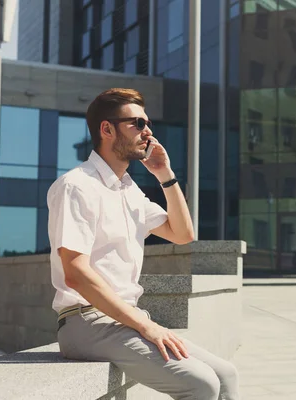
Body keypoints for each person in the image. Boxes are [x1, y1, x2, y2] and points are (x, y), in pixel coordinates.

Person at [46, 88, 240, 400]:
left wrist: (166, 175)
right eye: (137, 123)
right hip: (86, 322)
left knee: (226, 375)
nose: (147, 131)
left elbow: (182, 234)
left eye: (147, 123)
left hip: (124, 319)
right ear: (107, 129)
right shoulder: (76, 186)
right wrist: (145, 326)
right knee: (201, 384)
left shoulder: (129, 190)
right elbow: (75, 274)